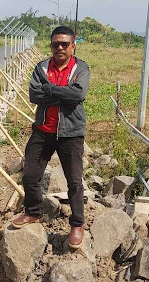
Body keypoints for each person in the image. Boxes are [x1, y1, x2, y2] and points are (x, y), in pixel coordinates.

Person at [12, 26, 90, 249]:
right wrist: (62, 92)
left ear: (73, 45)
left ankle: (77, 224)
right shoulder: (42, 67)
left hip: (71, 133)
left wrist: (50, 89)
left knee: (74, 181)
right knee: (30, 175)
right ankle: (33, 212)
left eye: (65, 44)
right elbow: (34, 95)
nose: (60, 48)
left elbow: (79, 94)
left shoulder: (80, 68)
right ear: (51, 46)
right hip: (43, 131)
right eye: (56, 44)